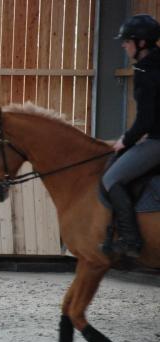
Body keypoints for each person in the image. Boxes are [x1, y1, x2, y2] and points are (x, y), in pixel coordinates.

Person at [102, 14, 160, 257]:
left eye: (127, 41)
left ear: (142, 43)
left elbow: (146, 118)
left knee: (111, 179)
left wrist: (125, 140)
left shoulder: (147, 71)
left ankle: (130, 240)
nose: (124, 45)